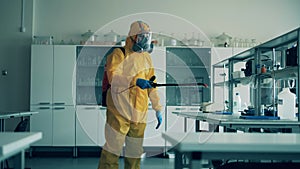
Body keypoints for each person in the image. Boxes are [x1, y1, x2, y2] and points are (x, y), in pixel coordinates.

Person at [98, 20, 163, 169]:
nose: (145, 40)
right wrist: (134, 80)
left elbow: (152, 85)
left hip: (139, 112)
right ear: (132, 37)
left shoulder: (146, 57)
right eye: (141, 37)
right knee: (113, 149)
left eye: (147, 37)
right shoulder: (118, 54)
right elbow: (113, 76)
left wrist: (157, 107)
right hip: (119, 109)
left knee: (134, 152)